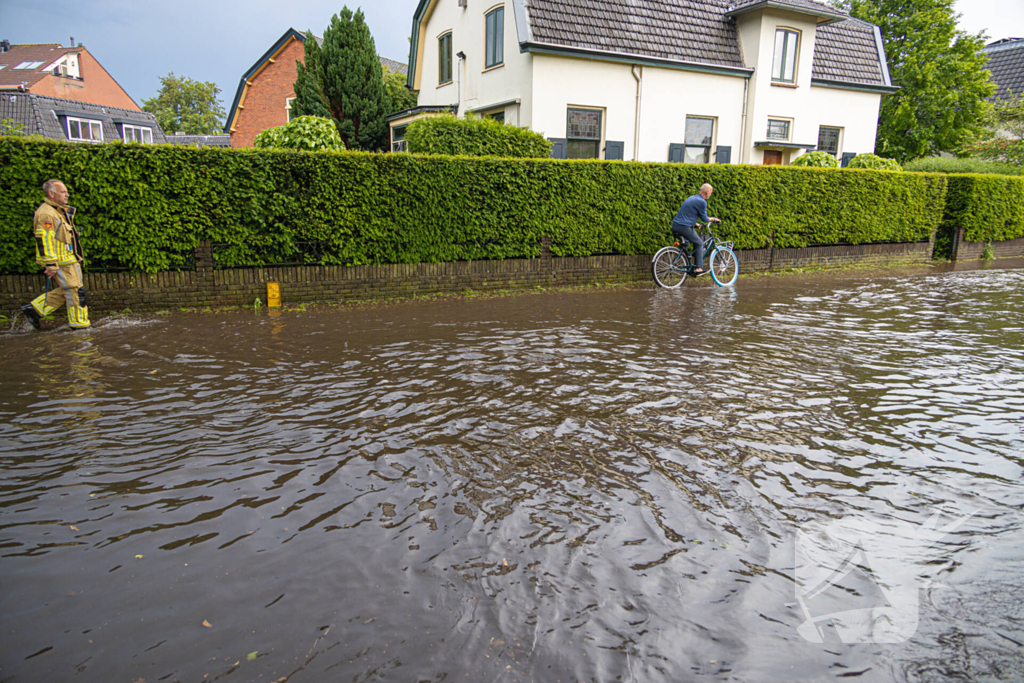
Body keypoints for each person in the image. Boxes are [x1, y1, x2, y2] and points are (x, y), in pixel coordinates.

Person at [20, 180, 91, 330]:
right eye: (63, 192)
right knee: (76, 291)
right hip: (61, 260)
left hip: (67, 258)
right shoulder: (46, 213)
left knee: (71, 289)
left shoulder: (56, 210)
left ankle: (34, 310)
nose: (67, 194)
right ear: (52, 194)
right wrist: (51, 264)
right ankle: (79, 326)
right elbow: (44, 239)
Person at [672, 183, 721, 276]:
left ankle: (676, 262)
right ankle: (699, 268)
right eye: (711, 192)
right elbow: (705, 219)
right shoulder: (702, 202)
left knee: (685, 242)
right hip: (684, 227)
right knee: (699, 243)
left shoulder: (692, 198)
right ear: (707, 192)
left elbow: (686, 214)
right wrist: (715, 219)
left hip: (676, 225)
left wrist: (695, 224)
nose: (711, 194)